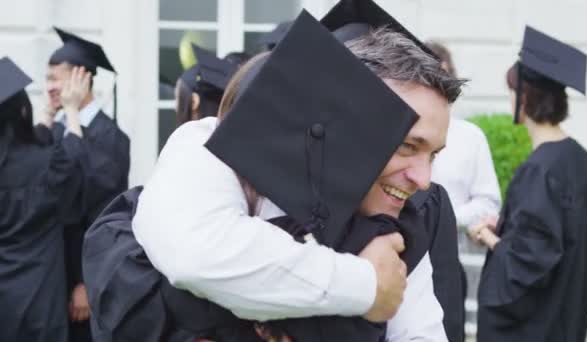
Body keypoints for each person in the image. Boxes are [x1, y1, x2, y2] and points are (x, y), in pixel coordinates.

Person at [84, 10, 465, 341]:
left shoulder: (396, 228)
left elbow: (419, 332)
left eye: (433, 153)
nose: (424, 178)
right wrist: (367, 284)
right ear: (345, 116)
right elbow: (197, 252)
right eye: (407, 146)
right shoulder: (210, 149)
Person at [471, 26, 587, 342]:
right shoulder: (583, 164)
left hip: (533, 331)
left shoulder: (540, 170)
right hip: (566, 322)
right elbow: (555, 239)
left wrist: (488, 236)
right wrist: (506, 226)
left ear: (525, 97)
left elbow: (528, 261)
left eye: (512, 92)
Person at [36, 27, 130, 342]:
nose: (49, 87)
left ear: (81, 78)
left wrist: (86, 282)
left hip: (79, 275)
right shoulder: (58, 127)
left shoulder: (111, 138)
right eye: (47, 78)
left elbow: (103, 215)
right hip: (48, 271)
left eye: (56, 78)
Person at [0, 57, 86, 342]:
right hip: (40, 297)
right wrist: (71, 110)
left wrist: (48, 116)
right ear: (23, 109)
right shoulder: (45, 163)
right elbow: (74, 159)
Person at [426, 41, 501, 229]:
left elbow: (488, 204)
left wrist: (445, 217)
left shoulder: (471, 137)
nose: (437, 87)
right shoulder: (398, 132)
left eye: (443, 78)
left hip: (449, 247)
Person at [175, 44, 237, 126]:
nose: (175, 106)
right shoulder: (230, 134)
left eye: (177, 98)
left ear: (194, 101)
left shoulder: (187, 137)